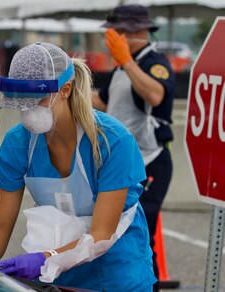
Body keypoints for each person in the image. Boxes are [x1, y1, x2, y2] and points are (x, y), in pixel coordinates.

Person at [0, 41, 156, 291]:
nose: (27, 109)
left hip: (116, 271)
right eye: (21, 99)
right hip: (58, 273)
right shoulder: (18, 142)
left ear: (66, 89)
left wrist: (43, 260)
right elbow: (0, 225)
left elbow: (101, 234)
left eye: (37, 98)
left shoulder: (112, 141)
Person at [91, 5, 176, 290]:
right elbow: (103, 102)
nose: (110, 40)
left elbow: (155, 94)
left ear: (137, 31)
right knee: (113, 232)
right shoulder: (120, 68)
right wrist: (68, 88)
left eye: (117, 33)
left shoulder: (153, 63)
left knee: (142, 230)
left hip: (150, 159)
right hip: (121, 162)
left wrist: (128, 61)